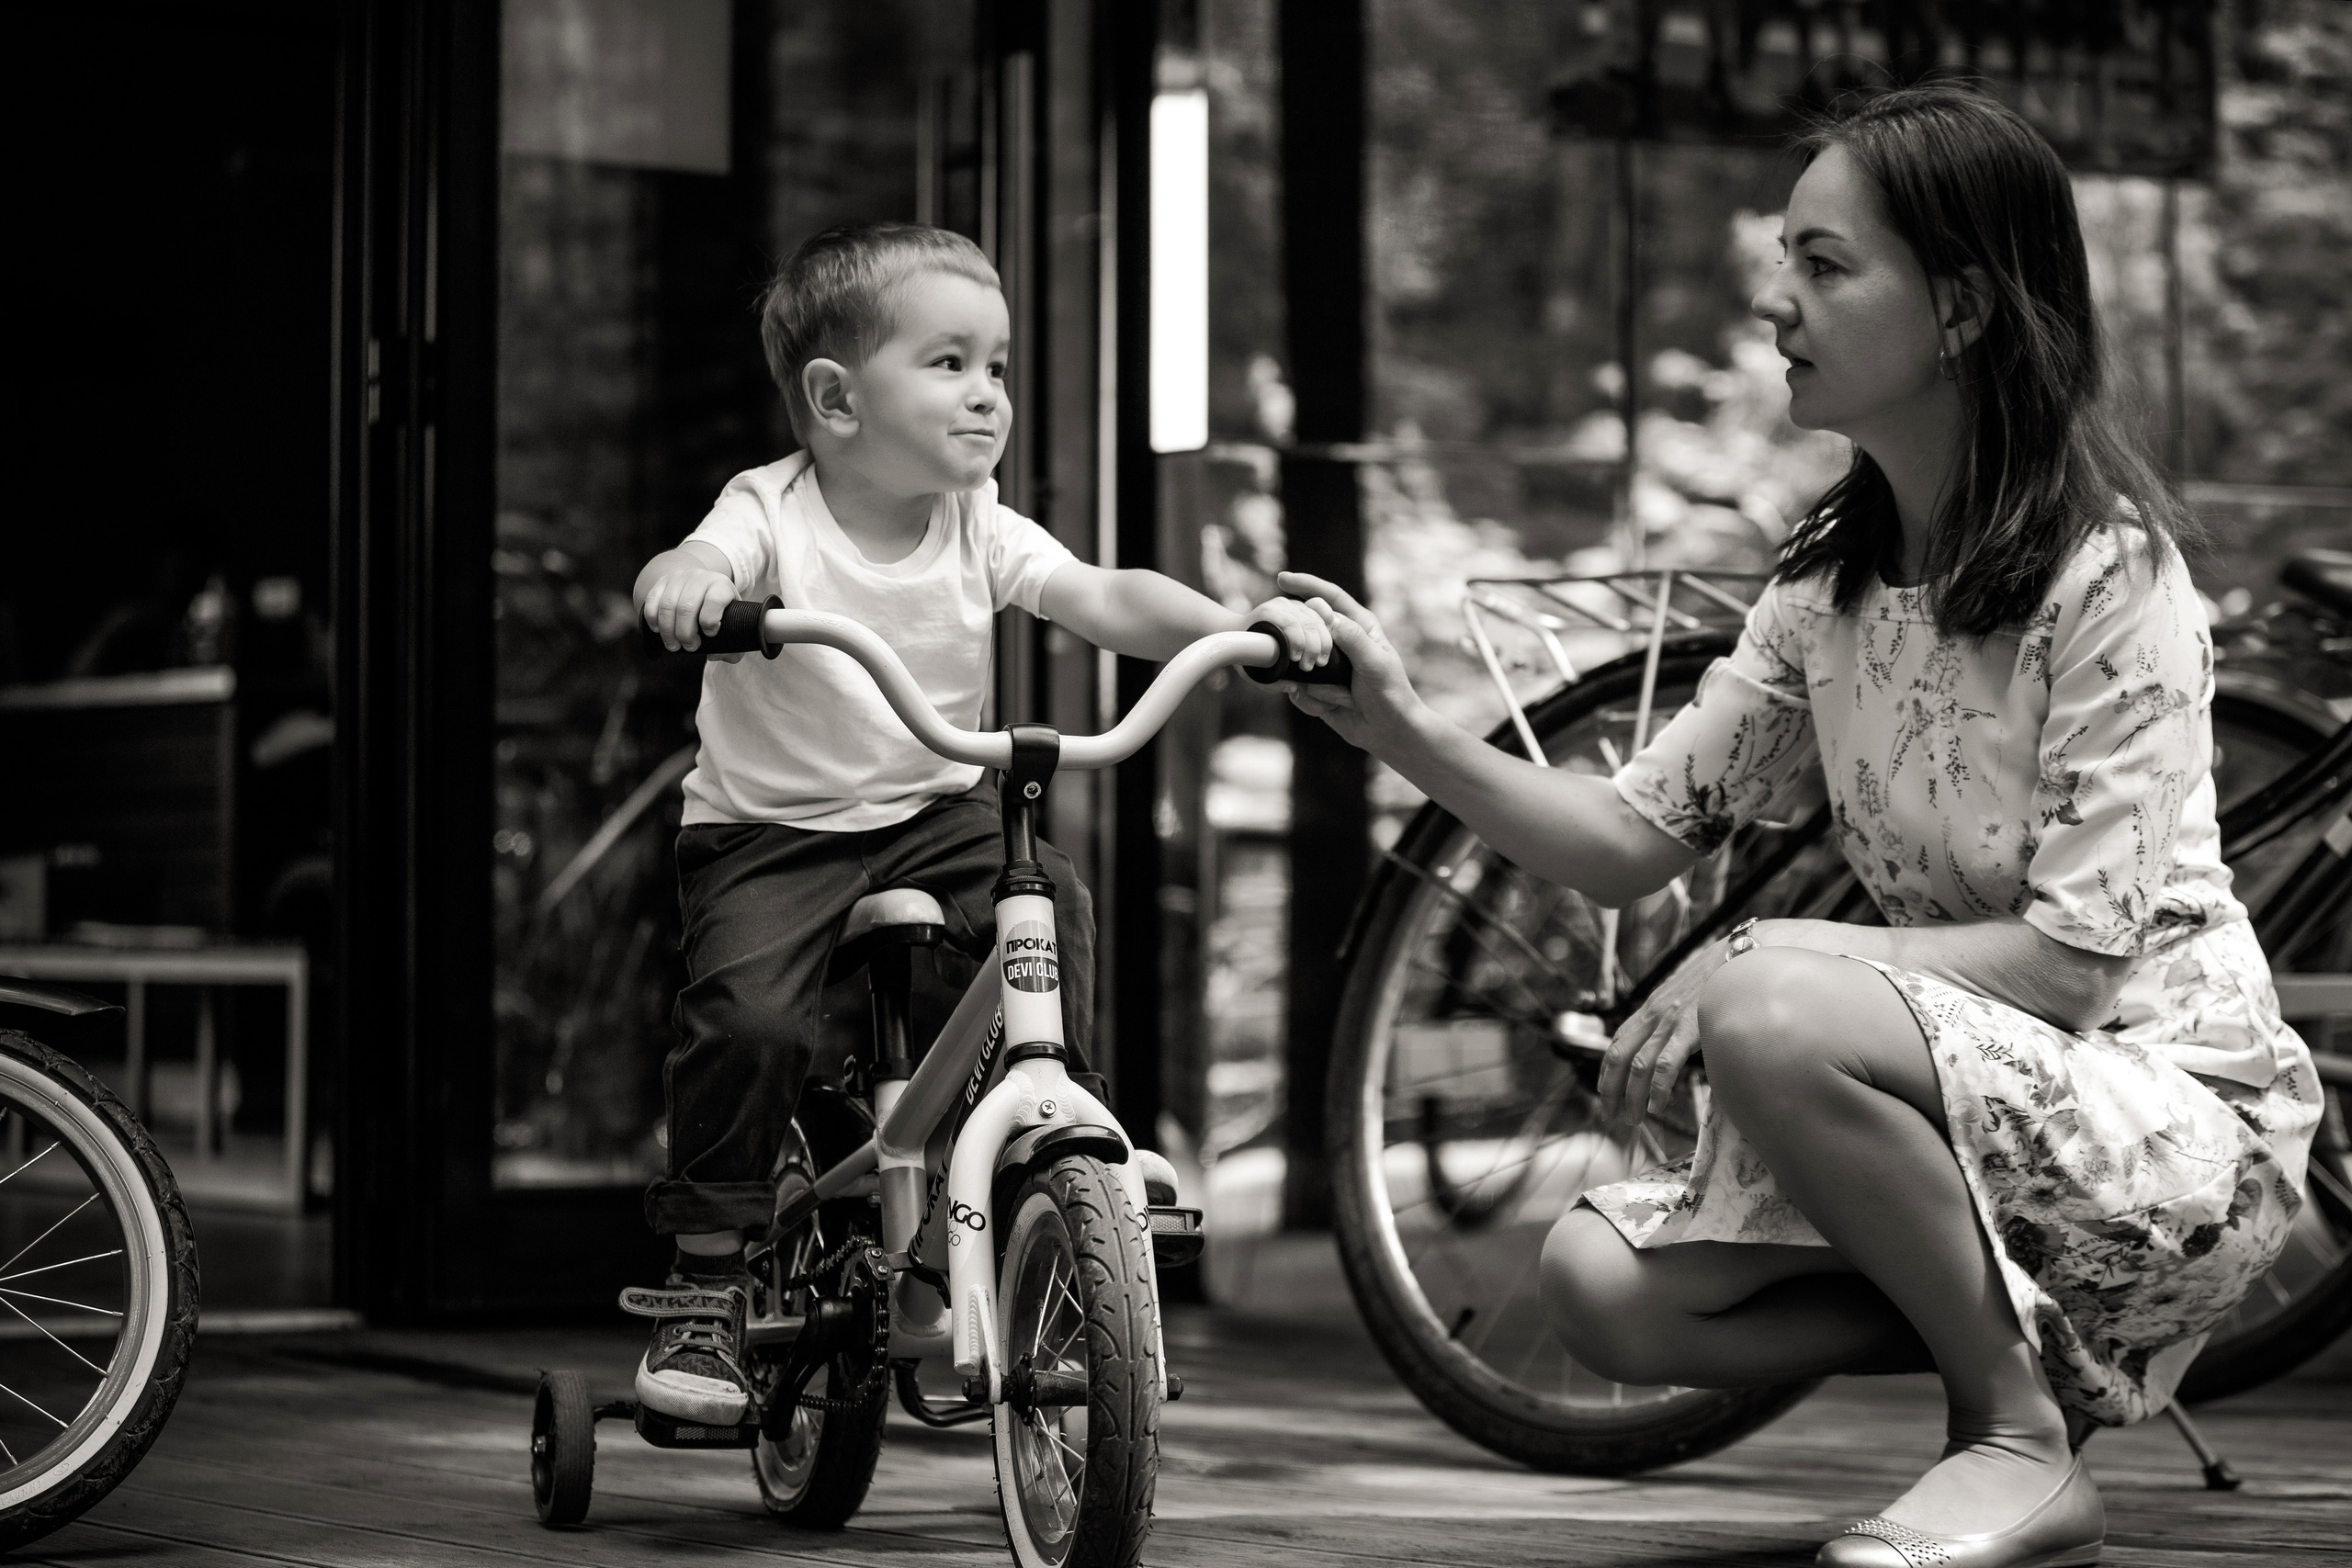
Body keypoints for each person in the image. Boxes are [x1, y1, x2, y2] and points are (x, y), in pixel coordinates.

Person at [1276, 83, 2318, 1568]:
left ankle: (2017, 1442)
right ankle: (2021, 1343)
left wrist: (1758, 959)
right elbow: (1628, 835)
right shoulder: (1827, 594)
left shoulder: (2110, 580)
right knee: (1602, 1285)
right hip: (1973, 1130)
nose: (1777, 302)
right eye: (1788, 261)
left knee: (1765, 1000)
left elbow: (2079, 969)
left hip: (2173, 1132)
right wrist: (1399, 727)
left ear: (1960, 309)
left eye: (1826, 268)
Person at [630, 221, 1331, 1425]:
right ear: (838, 401)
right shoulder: (770, 512)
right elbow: (697, 559)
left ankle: (1051, 1145)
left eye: (998, 366)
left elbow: (1101, 595)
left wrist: (1236, 625)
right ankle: (706, 1291)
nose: (989, 395)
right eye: (949, 363)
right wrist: (687, 584)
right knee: (747, 1019)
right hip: (770, 834)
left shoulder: (978, 519)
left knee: (1054, 899)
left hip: (932, 807)